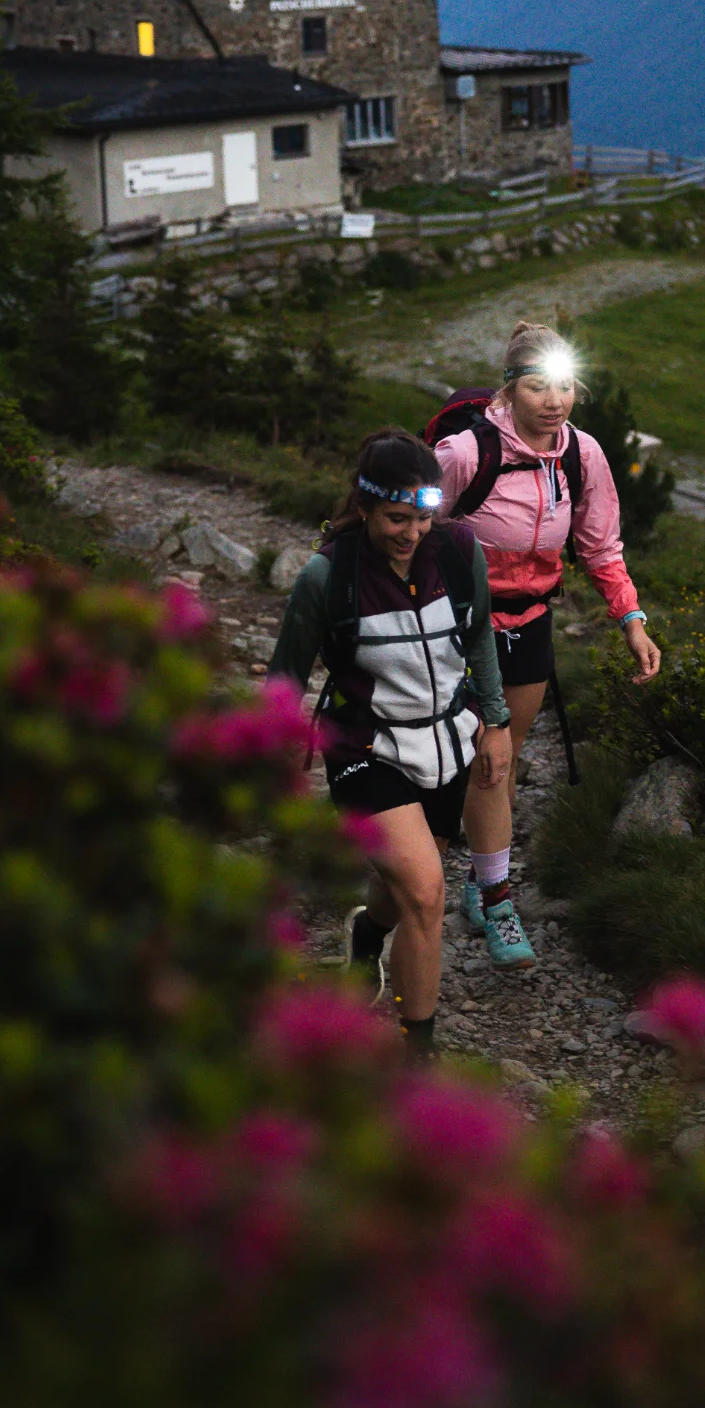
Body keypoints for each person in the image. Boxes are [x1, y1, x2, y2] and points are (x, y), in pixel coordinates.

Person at [267, 429, 521, 1059]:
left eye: (424, 517)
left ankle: (365, 938)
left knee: (408, 891)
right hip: (364, 748)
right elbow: (283, 680)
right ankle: (418, 1055)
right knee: (429, 893)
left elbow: (480, 638)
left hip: (446, 742)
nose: (412, 534)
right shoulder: (326, 576)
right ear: (366, 506)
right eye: (396, 519)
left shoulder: (460, 551)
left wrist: (496, 722)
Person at [434, 322, 660, 955]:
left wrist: (631, 621)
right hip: (462, 628)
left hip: (532, 622)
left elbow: (600, 545)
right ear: (509, 391)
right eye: (538, 386)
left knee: (503, 761)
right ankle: (496, 899)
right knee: (488, 757)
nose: (554, 400)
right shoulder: (463, 454)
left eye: (565, 386)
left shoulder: (582, 456)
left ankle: (481, 884)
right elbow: (411, 528)